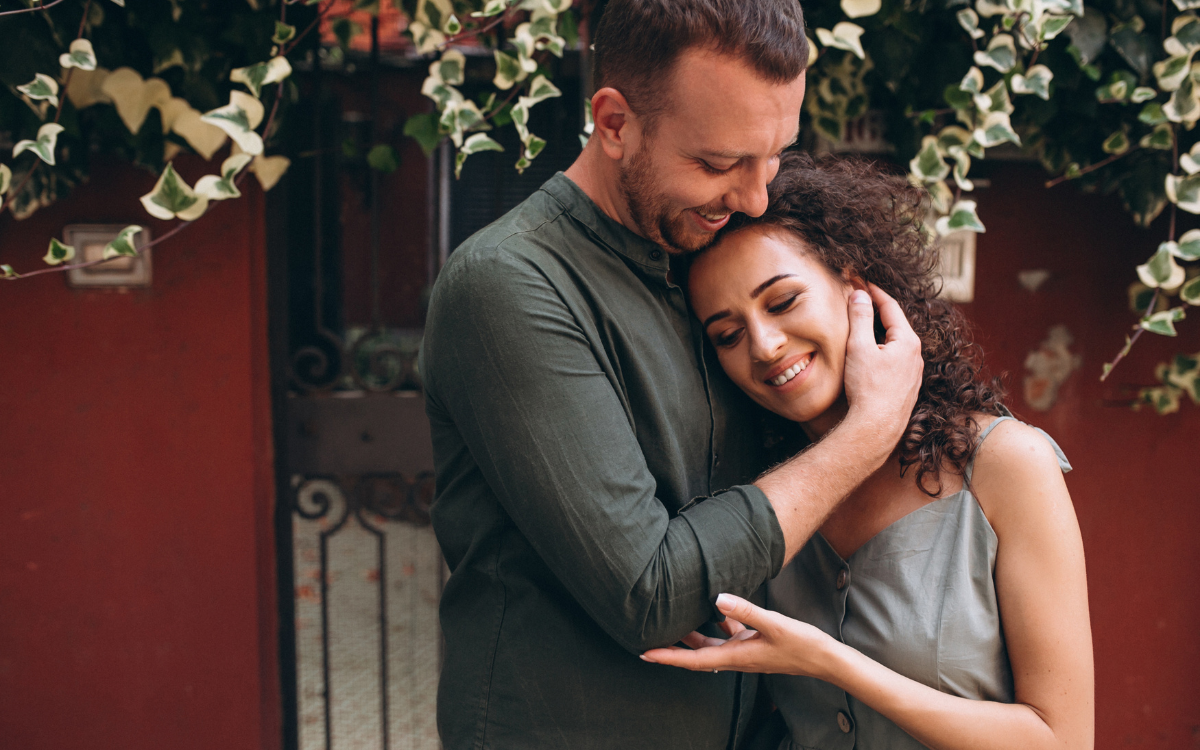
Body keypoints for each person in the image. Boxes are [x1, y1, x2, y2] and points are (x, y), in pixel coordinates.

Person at [419, 1, 926, 748]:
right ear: (616, 123)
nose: (754, 197)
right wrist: (866, 435)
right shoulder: (508, 285)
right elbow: (649, 592)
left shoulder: (709, 255)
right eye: (718, 164)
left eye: (774, 155)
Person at [641, 153, 1095, 750]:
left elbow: (1061, 739)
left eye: (781, 302)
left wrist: (829, 661)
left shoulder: (1004, 464)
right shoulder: (755, 495)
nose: (766, 345)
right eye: (727, 335)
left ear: (856, 287)